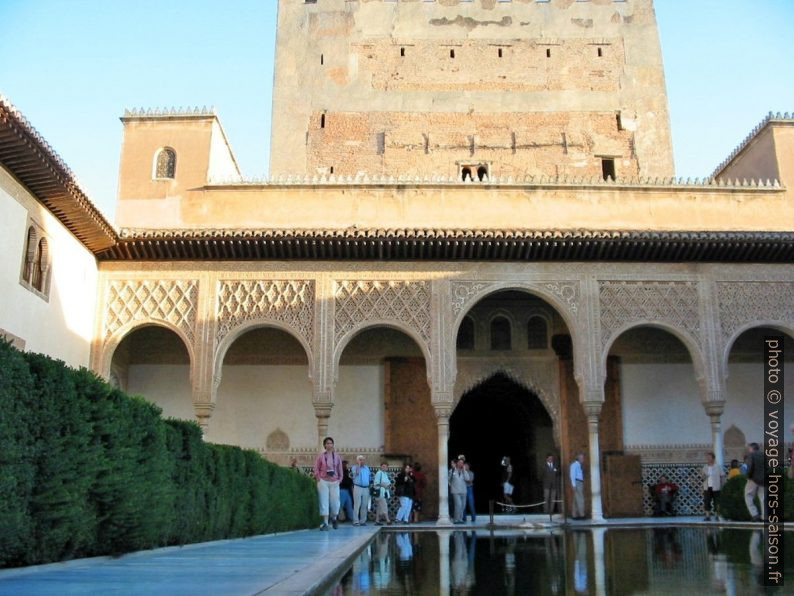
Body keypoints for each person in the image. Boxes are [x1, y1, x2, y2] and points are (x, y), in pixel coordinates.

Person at [313, 436, 343, 530]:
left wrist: (340, 479)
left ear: (333, 445)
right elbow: (316, 467)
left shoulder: (337, 456)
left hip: (334, 482)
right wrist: (318, 478)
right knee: (324, 501)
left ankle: (334, 518)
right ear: (324, 445)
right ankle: (325, 523)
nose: (329, 445)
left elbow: (340, 469)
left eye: (331, 443)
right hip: (323, 481)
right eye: (327, 443)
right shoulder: (321, 456)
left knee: (335, 502)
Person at [744, 442, 765, 522]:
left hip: (753, 479)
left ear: (752, 448)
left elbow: (750, 467)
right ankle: (764, 517)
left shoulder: (751, 455)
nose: (748, 450)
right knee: (763, 498)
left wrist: (748, 477)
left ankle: (755, 515)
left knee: (748, 496)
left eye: (749, 448)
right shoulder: (764, 455)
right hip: (764, 480)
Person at [702, 451, 725, 521]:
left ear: (713, 458)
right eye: (707, 457)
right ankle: (707, 516)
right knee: (707, 501)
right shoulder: (705, 467)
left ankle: (717, 515)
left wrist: (722, 485)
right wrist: (704, 476)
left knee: (717, 502)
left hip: (716, 487)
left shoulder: (717, 467)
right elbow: (702, 478)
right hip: (707, 487)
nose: (708, 458)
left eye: (709, 457)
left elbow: (722, 476)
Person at [351, 454, 372, 526]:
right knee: (357, 505)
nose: (362, 461)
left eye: (363, 459)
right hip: (357, 487)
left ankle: (363, 521)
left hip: (366, 488)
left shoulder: (367, 468)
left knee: (364, 505)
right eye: (360, 460)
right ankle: (356, 521)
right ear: (357, 461)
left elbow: (369, 477)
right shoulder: (354, 467)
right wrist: (359, 465)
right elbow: (356, 473)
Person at [449, 457, 469, 523]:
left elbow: (467, 479)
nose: (461, 464)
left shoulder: (464, 471)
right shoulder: (452, 471)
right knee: (458, 505)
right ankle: (456, 519)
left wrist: (464, 471)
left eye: (462, 463)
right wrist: (451, 485)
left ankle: (460, 519)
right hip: (455, 491)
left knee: (463, 505)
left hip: (463, 490)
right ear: (457, 463)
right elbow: (448, 480)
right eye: (460, 462)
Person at [570, 453, 585, 520]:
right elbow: (572, 475)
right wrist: (573, 485)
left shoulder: (579, 465)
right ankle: (582, 514)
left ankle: (574, 515)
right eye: (582, 458)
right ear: (578, 458)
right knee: (580, 499)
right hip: (577, 482)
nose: (583, 459)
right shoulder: (574, 465)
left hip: (579, 482)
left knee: (575, 500)